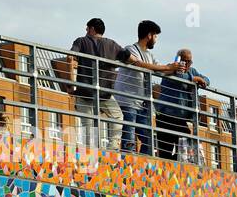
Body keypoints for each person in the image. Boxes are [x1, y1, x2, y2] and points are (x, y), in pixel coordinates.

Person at [112, 20, 180, 155]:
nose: (156, 40)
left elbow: (160, 70)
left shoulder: (150, 55)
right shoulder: (131, 49)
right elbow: (140, 65)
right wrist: (167, 67)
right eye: (155, 37)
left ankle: (141, 166)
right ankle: (128, 165)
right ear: (149, 35)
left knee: (148, 140)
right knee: (129, 138)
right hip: (128, 101)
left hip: (142, 104)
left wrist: (175, 69)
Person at [66, 18, 131, 152]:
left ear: (92, 29)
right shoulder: (112, 45)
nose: (85, 31)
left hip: (85, 91)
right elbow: (130, 59)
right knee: (117, 116)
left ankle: (90, 151)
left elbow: (70, 57)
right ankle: (113, 146)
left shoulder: (81, 41)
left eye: (87, 29)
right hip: (104, 92)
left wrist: (70, 83)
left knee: (87, 124)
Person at [155, 48, 210, 160]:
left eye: (189, 61)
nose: (187, 64)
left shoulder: (192, 71)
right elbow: (179, 77)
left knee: (184, 148)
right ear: (178, 59)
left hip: (180, 120)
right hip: (165, 117)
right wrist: (195, 79)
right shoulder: (170, 68)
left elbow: (206, 80)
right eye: (184, 60)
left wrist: (201, 80)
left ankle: (177, 169)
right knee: (166, 150)